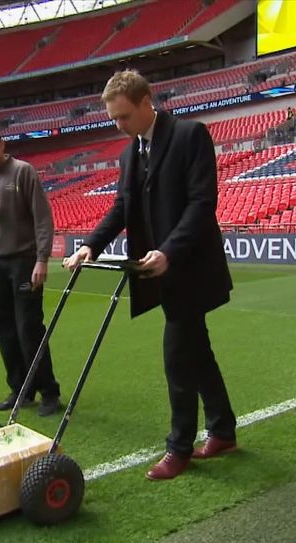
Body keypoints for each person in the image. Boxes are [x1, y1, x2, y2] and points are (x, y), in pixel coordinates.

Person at [63, 70, 236, 481]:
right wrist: (91, 245)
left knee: (178, 357)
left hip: (191, 268)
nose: (119, 125)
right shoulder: (130, 155)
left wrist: (169, 251)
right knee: (197, 351)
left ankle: (179, 447)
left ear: (146, 103)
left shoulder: (190, 135)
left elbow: (201, 203)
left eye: (124, 116)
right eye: (114, 119)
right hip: (158, 270)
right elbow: (122, 207)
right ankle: (223, 430)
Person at [0, 122, 62, 417]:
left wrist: (42, 259)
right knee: (4, 328)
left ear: (2, 145)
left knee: (28, 327)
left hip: (24, 260)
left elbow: (42, 219)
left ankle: (49, 392)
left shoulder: (23, 172)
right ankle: (21, 389)